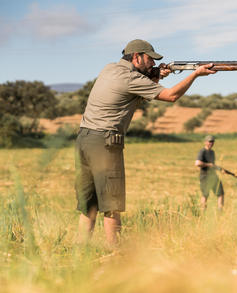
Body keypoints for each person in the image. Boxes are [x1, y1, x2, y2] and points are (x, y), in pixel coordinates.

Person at [75, 39, 216, 245]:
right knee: (112, 204)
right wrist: (195, 74)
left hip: (84, 140)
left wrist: (156, 76)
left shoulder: (110, 69)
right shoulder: (131, 78)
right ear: (136, 57)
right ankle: (115, 254)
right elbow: (171, 96)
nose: (152, 63)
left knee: (89, 205)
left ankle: (80, 250)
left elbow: (134, 92)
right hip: (105, 143)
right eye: (150, 59)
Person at [195, 135, 225, 210]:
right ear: (205, 142)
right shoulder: (202, 151)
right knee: (205, 194)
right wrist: (208, 165)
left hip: (213, 176)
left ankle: (220, 211)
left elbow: (213, 165)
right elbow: (197, 163)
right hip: (205, 176)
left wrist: (220, 169)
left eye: (212, 141)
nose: (211, 143)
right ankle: (203, 212)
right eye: (209, 141)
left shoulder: (212, 152)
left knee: (220, 193)